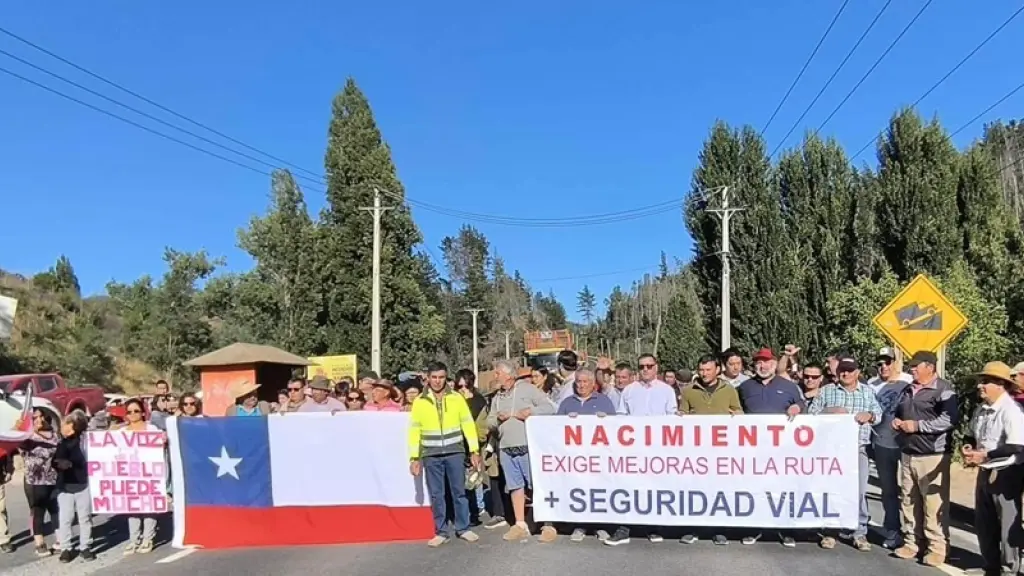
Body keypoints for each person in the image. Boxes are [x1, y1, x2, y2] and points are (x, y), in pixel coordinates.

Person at [807, 358, 882, 552]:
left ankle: (859, 532)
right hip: (831, 450)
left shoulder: (867, 392)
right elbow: (811, 413)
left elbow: (878, 413)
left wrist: (870, 416)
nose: (845, 374)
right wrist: (830, 411)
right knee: (832, 490)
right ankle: (830, 531)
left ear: (858, 372)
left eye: (850, 370)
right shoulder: (826, 391)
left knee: (858, 492)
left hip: (858, 448)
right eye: (842, 370)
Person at [891, 350, 957, 567]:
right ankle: (912, 542)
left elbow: (948, 420)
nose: (912, 369)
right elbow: (898, 410)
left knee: (933, 504)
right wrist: (897, 421)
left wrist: (917, 426)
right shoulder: (907, 388)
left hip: (933, 454)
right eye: (911, 365)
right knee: (908, 501)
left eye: (917, 365)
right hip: (908, 452)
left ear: (930, 366)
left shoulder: (944, 389)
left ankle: (937, 547)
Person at [606, 353, 678, 546]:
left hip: (657, 449)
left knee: (654, 488)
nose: (645, 369)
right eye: (642, 366)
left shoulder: (667, 391)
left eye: (649, 366)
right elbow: (621, 416)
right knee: (629, 487)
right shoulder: (629, 390)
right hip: (633, 449)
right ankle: (624, 528)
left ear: (656, 367)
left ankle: (653, 527)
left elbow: (672, 417)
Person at [736, 348, 805, 548]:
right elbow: (736, 409)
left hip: (782, 449)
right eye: (759, 362)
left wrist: (797, 407)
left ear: (774, 364)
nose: (763, 366)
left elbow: (802, 404)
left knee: (782, 488)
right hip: (753, 448)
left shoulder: (789, 386)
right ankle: (754, 528)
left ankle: (785, 530)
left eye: (766, 362)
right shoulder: (745, 387)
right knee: (755, 488)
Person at [408, 361, 481, 547]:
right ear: (428, 378)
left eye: (441, 377)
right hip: (431, 454)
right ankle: (441, 531)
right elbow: (414, 430)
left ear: (446, 378)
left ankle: (463, 528)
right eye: (434, 377)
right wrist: (414, 457)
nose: (438, 381)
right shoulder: (420, 401)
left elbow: (467, 424)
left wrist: (474, 450)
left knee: (459, 492)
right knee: (437, 494)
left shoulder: (457, 398)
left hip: (454, 451)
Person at [961, 361, 1024, 576]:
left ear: (1000, 384)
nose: (980, 385)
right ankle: (990, 565)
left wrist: (985, 454)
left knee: (1007, 524)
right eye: (981, 381)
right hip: (984, 469)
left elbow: (1017, 445)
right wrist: (968, 447)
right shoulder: (981, 409)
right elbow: (971, 433)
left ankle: (1009, 568)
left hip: (1006, 472)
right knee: (984, 521)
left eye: (986, 381)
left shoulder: (1011, 411)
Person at [488, 359, 556, 542]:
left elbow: (550, 408)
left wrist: (531, 412)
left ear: (508, 375)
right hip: (505, 447)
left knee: (536, 486)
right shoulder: (497, 397)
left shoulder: (527, 389)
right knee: (515, 486)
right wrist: (497, 421)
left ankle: (547, 525)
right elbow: (489, 421)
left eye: (497, 373)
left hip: (529, 446)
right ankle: (520, 524)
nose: (495, 377)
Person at [678, 354, 741, 546]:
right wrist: (681, 416)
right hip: (696, 451)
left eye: (708, 370)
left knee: (719, 491)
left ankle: (718, 530)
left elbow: (738, 411)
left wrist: (738, 415)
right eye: (701, 370)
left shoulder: (729, 390)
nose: (704, 373)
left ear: (717, 370)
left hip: (721, 450)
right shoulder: (689, 391)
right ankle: (693, 528)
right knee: (695, 490)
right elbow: (683, 414)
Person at [556, 369, 616, 543]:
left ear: (592, 383)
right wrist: (567, 421)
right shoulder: (567, 402)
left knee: (598, 491)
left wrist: (606, 421)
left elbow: (615, 427)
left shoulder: (604, 401)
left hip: (598, 457)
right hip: (576, 457)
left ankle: (600, 525)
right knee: (579, 490)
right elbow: (556, 426)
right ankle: (579, 525)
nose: (581, 385)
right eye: (578, 382)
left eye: (584, 382)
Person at [116, 398, 164, 554]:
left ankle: (148, 538)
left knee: (149, 506)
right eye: (129, 412)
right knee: (132, 508)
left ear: (143, 412)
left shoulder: (152, 430)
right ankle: (133, 540)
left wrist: (163, 440)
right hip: (130, 475)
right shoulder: (121, 433)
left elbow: (162, 444)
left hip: (149, 474)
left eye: (136, 411)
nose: (132, 414)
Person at [15, 407, 59, 556]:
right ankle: (40, 544)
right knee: (38, 512)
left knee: (56, 510)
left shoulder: (53, 434)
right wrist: (18, 426)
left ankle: (61, 540)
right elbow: (11, 437)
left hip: (53, 478)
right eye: (34, 418)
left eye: (41, 416)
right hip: (34, 480)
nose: (39, 420)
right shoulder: (26, 437)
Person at [55, 410, 94, 563]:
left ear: (73, 426)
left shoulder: (85, 442)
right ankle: (66, 548)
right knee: (65, 518)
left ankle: (85, 547)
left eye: (65, 424)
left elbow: (85, 461)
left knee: (85, 518)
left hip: (83, 484)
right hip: (65, 486)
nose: (62, 427)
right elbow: (55, 461)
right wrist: (59, 464)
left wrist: (71, 464)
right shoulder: (61, 443)